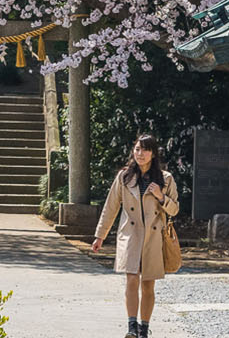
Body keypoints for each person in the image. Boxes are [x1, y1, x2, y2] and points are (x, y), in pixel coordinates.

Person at [90, 134, 179, 338]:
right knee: (131, 279)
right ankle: (131, 326)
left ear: (153, 153)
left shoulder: (166, 179)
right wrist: (100, 236)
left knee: (148, 284)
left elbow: (174, 210)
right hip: (130, 235)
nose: (140, 154)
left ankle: (144, 328)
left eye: (145, 150)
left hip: (154, 238)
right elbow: (110, 207)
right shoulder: (124, 177)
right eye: (137, 149)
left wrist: (161, 196)